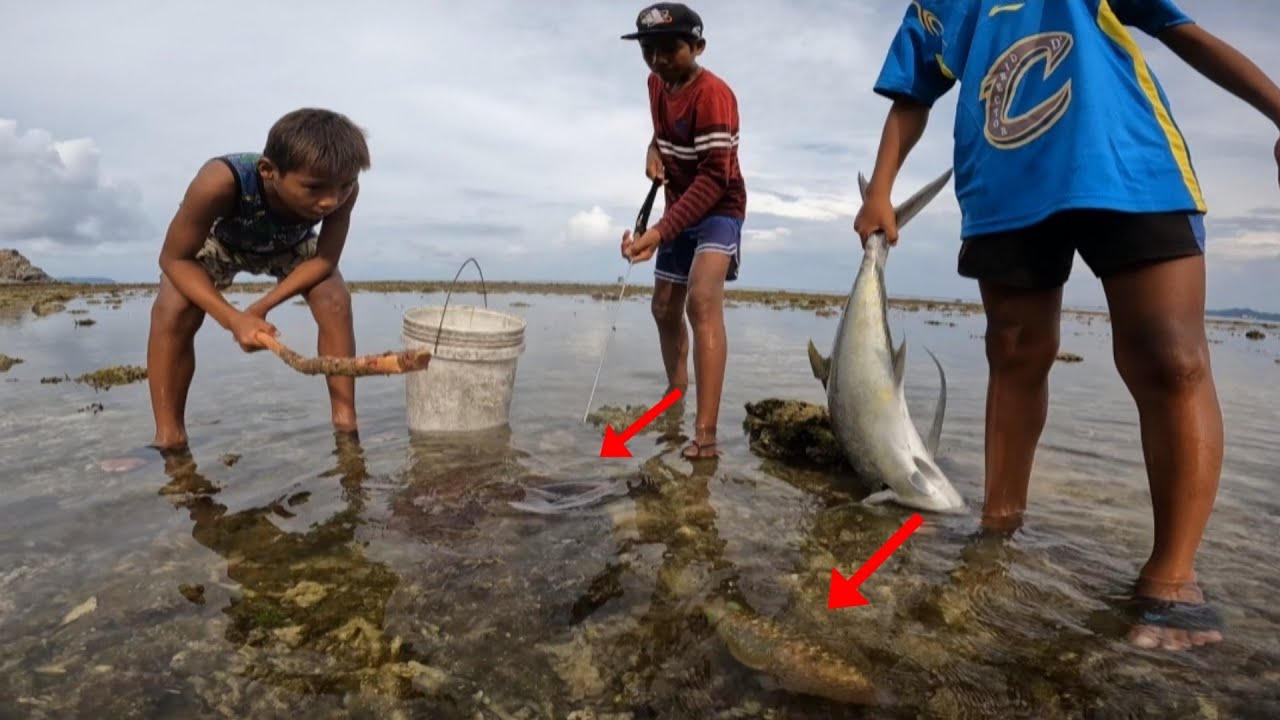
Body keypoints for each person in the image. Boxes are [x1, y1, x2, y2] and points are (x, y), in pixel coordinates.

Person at [855, 0, 1280, 652]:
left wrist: (1278, 107)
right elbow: (913, 96)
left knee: (1171, 357)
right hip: (1002, 185)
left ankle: (1173, 573)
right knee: (1014, 352)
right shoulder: (934, 5)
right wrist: (880, 190)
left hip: (1129, 161)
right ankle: (998, 527)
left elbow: (1180, 30)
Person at [147, 107, 371, 450]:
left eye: (345, 186)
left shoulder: (341, 190)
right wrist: (233, 319)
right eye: (313, 187)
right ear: (269, 171)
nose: (330, 200)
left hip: (290, 246)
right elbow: (174, 259)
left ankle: (346, 426)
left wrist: (261, 307)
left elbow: (325, 259)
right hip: (223, 243)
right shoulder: (220, 181)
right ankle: (169, 438)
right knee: (175, 303)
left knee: (334, 297)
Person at [619, 2, 748, 460]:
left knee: (701, 297)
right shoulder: (656, 83)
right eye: (647, 49)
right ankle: (674, 398)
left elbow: (715, 179)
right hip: (677, 206)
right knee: (662, 305)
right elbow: (661, 131)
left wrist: (659, 231)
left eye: (669, 49)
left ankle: (706, 435)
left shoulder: (714, 95)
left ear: (697, 46)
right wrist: (653, 150)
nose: (657, 59)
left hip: (719, 207)